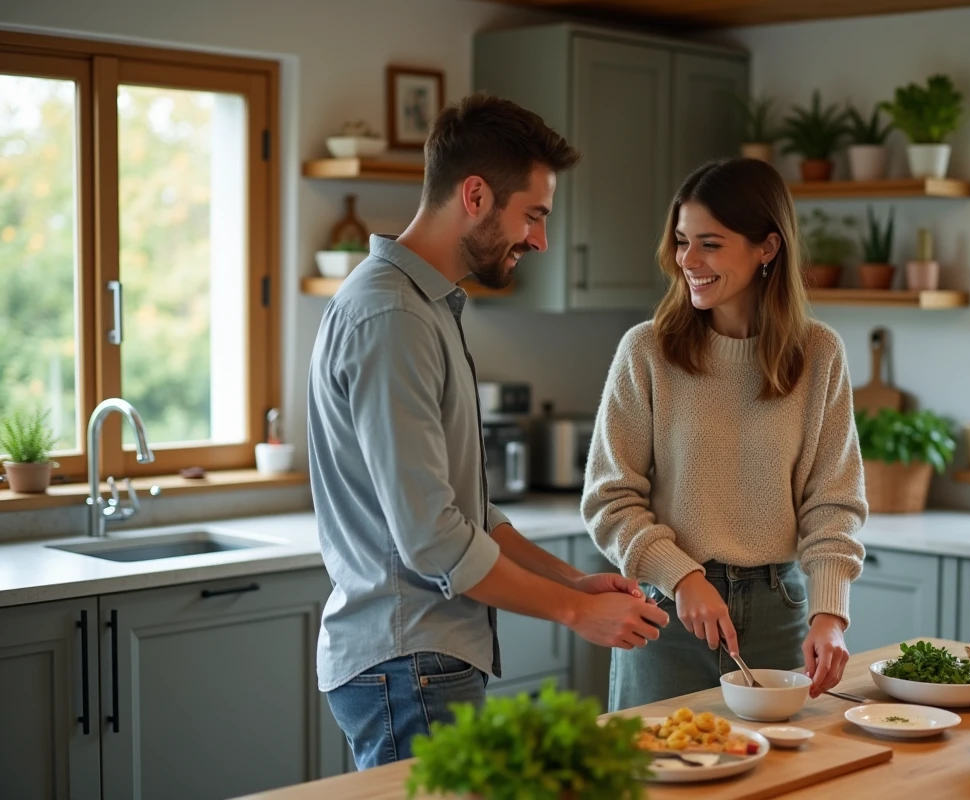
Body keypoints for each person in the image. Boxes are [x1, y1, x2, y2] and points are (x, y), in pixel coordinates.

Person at [307, 92, 669, 768]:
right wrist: (573, 613)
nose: (540, 240)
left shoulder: (423, 307)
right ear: (475, 195)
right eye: (533, 215)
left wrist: (575, 584)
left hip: (419, 661)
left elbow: (466, 512)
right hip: (408, 663)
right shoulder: (394, 318)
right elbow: (433, 539)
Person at [581, 157, 868, 711]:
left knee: (782, 763)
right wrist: (683, 578)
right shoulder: (646, 351)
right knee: (655, 763)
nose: (688, 260)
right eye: (682, 241)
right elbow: (609, 499)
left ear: (768, 247)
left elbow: (833, 503)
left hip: (779, 616)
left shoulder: (818, 354)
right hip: (667, 616)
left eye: (710, 244)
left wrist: (830, 614)